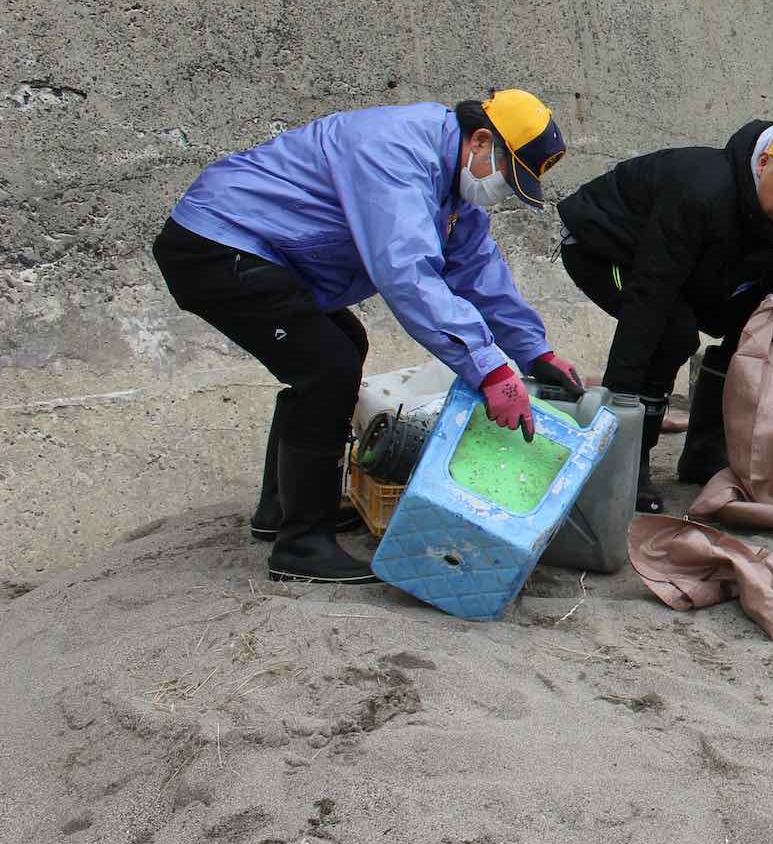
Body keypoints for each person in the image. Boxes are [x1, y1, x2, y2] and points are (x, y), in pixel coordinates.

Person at [153, 92, 581, 584]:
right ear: (481, 140)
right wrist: (491, 370)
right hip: (217, 244)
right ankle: (303, 546)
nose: (503, 190)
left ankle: (282, 510)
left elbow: (477, 270)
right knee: (327, 364)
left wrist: (535, 351)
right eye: (509, 176)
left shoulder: (450, 182)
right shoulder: (397, 153)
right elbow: (407, 275)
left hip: (264, 252)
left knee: (342, 345)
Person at [556, 121, 773, 511]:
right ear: (764, 163)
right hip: (604, 246)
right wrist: (619, 404)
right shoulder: (701, 191)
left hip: (688, 264)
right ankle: (628, 458)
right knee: (673, 332)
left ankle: (706, 450)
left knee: (763, 321)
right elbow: (650, 294)